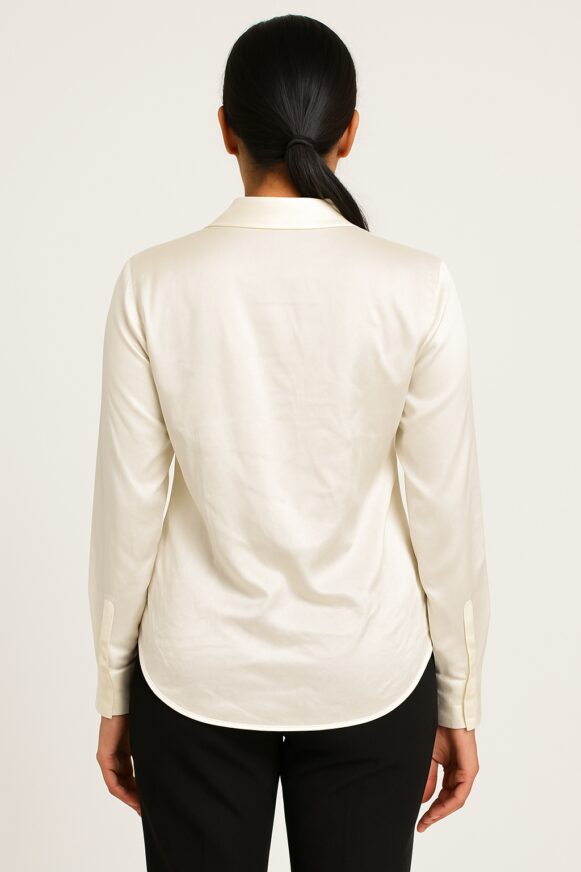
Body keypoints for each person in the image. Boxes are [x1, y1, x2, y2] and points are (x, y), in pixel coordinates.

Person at [88, 13, 491, 872]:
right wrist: (459, 698)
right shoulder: (415, 285)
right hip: (369, 672)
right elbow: (445, 515)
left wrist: (113, 687)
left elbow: (127, 510)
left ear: (224, 128)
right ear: (350, 132)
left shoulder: (152, 283)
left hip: (192, 677)